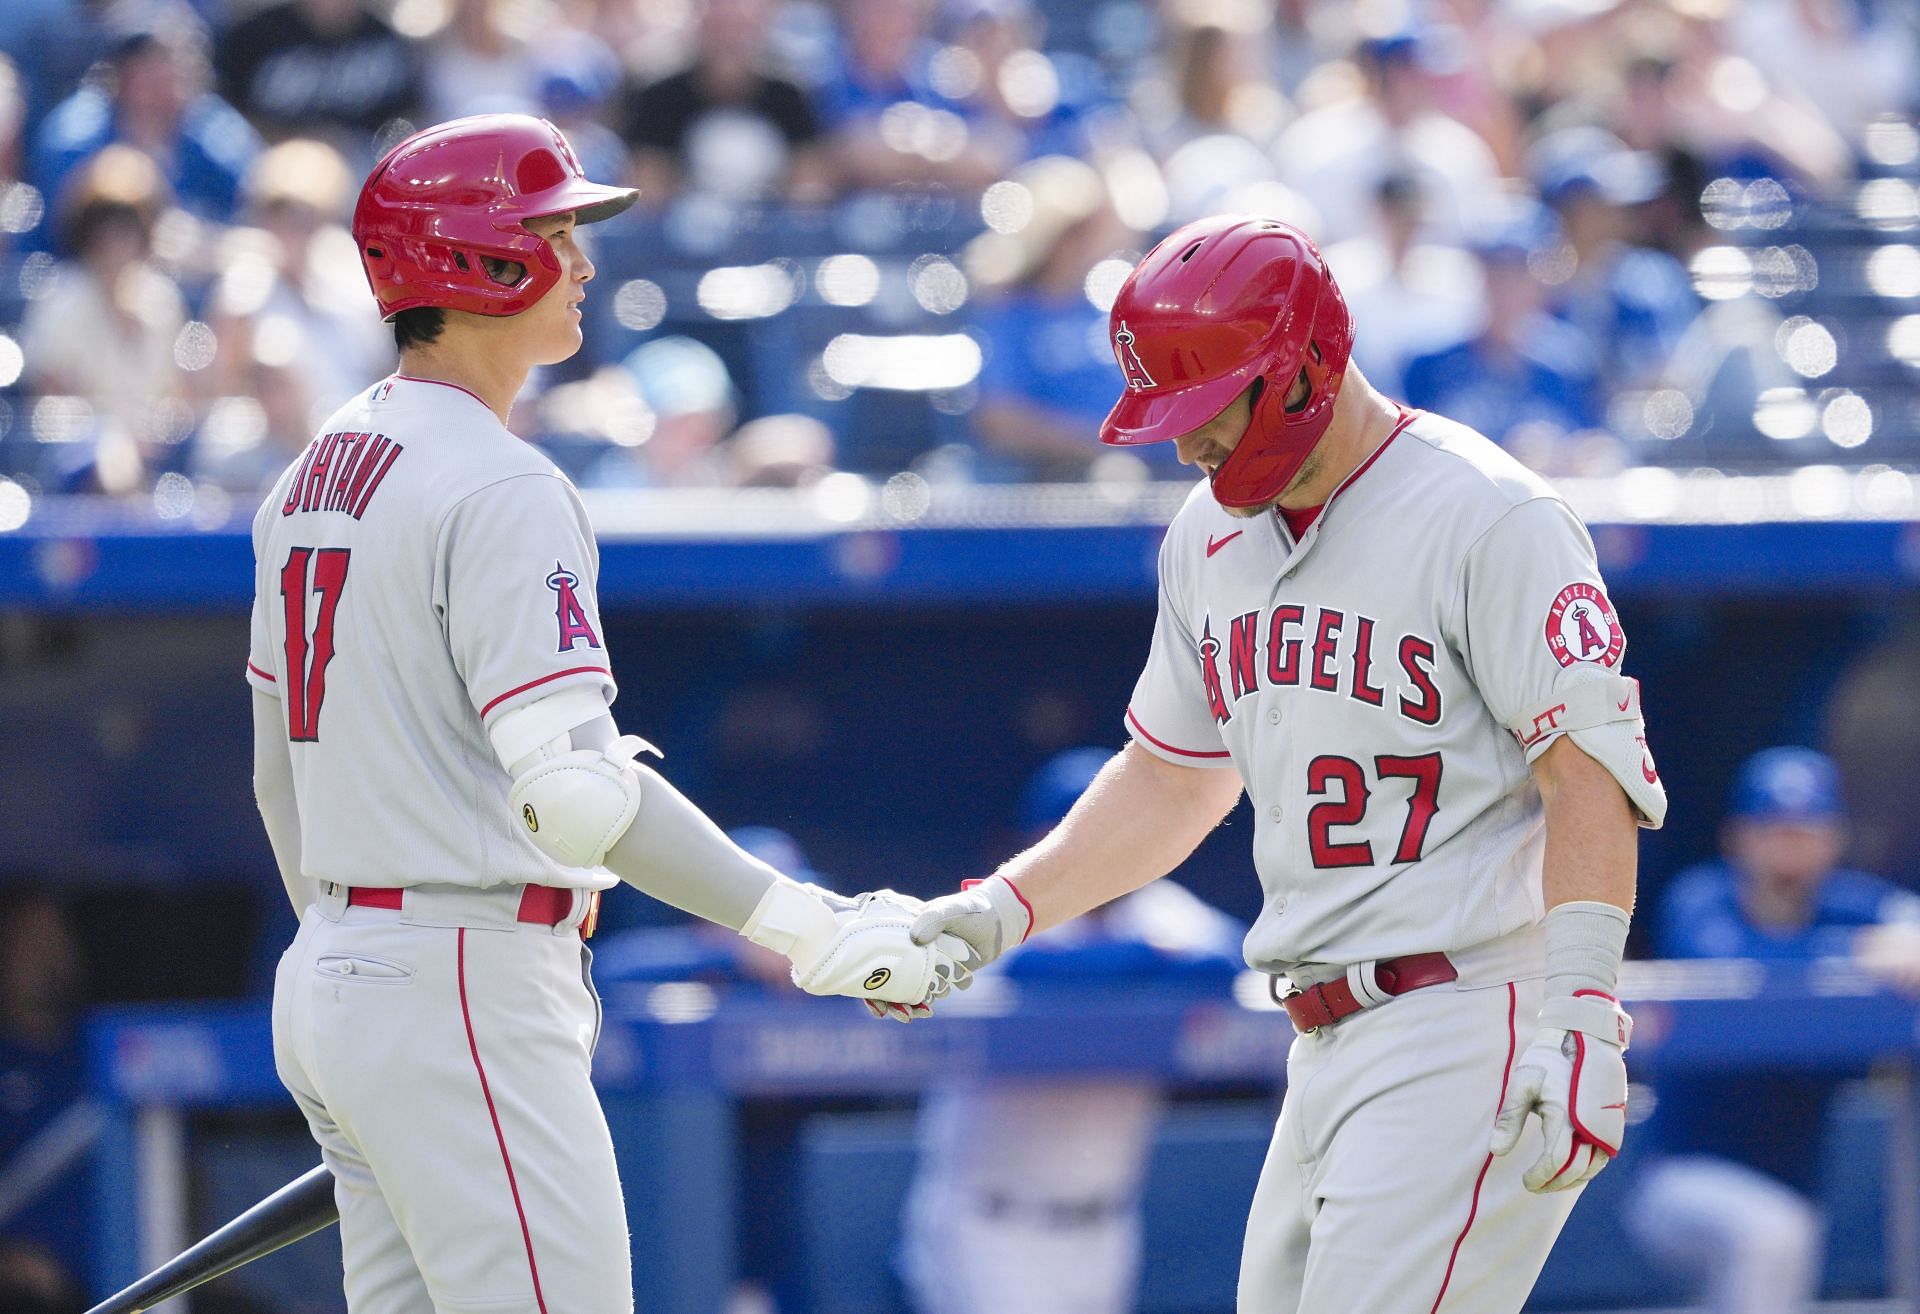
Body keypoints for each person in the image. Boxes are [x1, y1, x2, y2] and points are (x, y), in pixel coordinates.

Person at [248, 113, 968, 1313]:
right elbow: (575, 795)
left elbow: (281, 775)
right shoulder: (500, 479)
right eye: (553, 233)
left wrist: (350, 964)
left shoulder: (313, 466)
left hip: (339, 971)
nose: (582, 263)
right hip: (460, 981)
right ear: (475, 259)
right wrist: (802, 925)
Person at [904, 214, 1668, 1313]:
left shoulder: (1489, 511)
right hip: (1319, 1040)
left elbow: (1585, 772)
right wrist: (999, 913)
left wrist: (1586, 1011)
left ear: (1302, 364)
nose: (1186, 446)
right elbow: (1172, 777)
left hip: (1469, 1007)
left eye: (1204, 410)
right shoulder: (1205, 540)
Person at [899, 747, 1243, 1314]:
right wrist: (1145, 963)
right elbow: (1031, 971)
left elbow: (1228, 961)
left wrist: (1133, 958)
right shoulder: (999, 905)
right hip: (993, 1227)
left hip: (1104, 1228)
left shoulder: (1153, 908)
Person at [1625, 747, 1920, 1314]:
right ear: (1740, 836)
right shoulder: (1701, 900)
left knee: (1779, 1236)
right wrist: (1855, 955)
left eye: (1805, 830)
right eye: (1774, 829)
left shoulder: (1848, 906)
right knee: (1771, 1233)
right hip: (1679, 1182)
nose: (1790, 845)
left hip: (1795, 1189)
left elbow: (1904, 920)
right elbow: (1739, 967)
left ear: (1834, 838)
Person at [614, 0, 828, 206]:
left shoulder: (788, 96)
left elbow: (809, 186)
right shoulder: (660, 97)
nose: (729, 40)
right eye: (720, 28)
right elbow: (647, 185)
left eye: (740, 29)